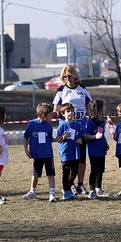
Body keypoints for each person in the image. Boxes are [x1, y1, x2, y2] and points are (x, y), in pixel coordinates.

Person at [53, 65, 92, 195]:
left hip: (80, 128)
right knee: (69, 160)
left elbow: (89, 107)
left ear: (75, 76)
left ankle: (80, 184)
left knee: (81, 158)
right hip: (68, 129)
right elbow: (56, 110)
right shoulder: (61, 91)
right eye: (65, 76)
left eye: (69, 75)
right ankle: (71, 185)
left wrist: (91, 117)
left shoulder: (83, 89)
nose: (67, 78)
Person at [23, 103, 62, 202]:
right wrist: (26, 150)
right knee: (36, 173)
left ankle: (52, 193)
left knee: (51, 174)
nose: (51, 117)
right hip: (37, 155)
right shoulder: (32, 124)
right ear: (43, 115)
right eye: (50, 115)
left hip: (48, 154)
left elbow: (50, 139)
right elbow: (25, 137)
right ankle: (33, 192)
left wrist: (58, 139)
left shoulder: (48, 126)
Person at [84, 99, 110, 199]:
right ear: (98, 109)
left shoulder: (101, 122)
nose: (105, 108)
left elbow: (102, 134)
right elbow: (86, 136)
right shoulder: (90, 122)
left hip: (101, 150)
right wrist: (95, 137)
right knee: (94, 170)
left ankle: (98, 189)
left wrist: (106, 143)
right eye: (104, 106)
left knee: (101, 169)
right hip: (93, 151)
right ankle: (92, 191)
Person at [57, 103, 83, 200]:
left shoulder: (77, 125)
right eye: (68, 111)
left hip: (75, 152)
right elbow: (58, 139)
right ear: (63, 113)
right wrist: (64, 137)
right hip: (65, 152)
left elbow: (80, 135)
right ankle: (66, 191)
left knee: (75, 171)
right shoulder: (62, 125)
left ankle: (68, 186)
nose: (70, 113)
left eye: (72, 111)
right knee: (66, 171)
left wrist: (80, 140)